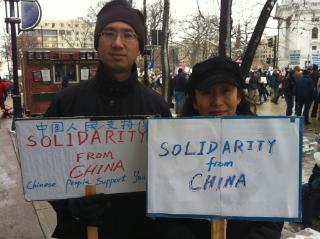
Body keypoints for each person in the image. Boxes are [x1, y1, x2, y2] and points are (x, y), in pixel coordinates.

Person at [44, 1, 171, 238]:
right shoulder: (66, 103)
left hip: (140, 231)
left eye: (128, 34)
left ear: (140, 46)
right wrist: (70, 206)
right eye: (109, 33)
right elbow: (46, 169)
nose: (118, 43)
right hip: (79, 231)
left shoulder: (156, 107)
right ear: (97, 43)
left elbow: (168, 176)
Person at [180, 56, 283, 239]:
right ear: (194, 100)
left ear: (239, 97)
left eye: (226, 91)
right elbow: (165, 216)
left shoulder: (265, 144)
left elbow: (273, 215)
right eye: (206, 92)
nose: (217, 101)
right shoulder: (173, 146)